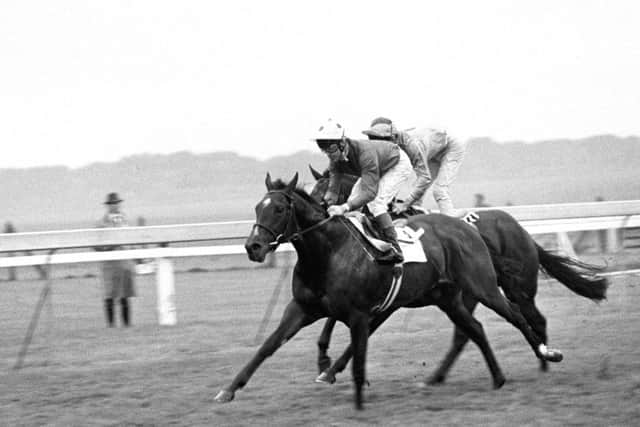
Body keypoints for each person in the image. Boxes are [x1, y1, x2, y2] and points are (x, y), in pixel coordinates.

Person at [313, 118, 412, 264]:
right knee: (352, 199)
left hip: (397, 164)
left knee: (376, 202)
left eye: (332, 149)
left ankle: (396, 250)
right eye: (325, 151)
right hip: (380, 163)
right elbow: (333, 190)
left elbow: (369, 193)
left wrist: (343, 207)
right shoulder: (335, 160)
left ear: (342, 143)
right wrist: (327, 204)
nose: (330, 155)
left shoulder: (365, 154)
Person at [362, 117, 467, 217]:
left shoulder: (411, 146)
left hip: (451, 148)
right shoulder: (394, 143)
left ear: (391, 137)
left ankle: (449, 215)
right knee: (417, 194)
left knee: (439, 190)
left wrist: (405, 204)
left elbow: (425, 178)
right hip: (431, 148)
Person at [95, 192, 136, 327]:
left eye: (116, 203)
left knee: (125, 296)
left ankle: (127, 325)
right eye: (112, 204)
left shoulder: (125, 221)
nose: (115, 206)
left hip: (124, 263)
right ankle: (111, 325)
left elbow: (131, 240)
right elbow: (96, 245)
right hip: (110, 264)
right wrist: (109, 247)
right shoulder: (101, 223)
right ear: (108, 206)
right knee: (110, 295)